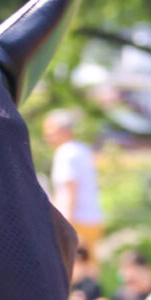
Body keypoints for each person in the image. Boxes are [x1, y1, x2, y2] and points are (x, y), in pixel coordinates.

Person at [43, 109, 103, 260]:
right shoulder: (82, 150)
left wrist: (63, 226)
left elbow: (69, 191)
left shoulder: (65, 153)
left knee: (72, 270)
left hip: (76, 221)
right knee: (90, 269)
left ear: (64, 130)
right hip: (93, 219)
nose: (47, 136)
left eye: (50, 131)